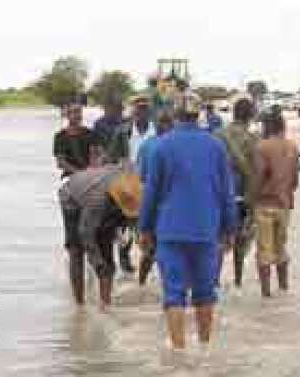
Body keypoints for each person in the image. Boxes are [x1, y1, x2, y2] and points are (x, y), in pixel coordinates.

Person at [140, 93, 237, 349]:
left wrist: (144, 228)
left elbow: (151, 193)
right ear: (199, 115)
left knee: (174, 294)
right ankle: (205, 348)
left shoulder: (161, 146)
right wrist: (230, 228)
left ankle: (178, 352)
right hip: (206, 230)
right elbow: (226, 191)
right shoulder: (216, 146)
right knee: (206, 292)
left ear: (174, 115)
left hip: (170, 231)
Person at [57, 165, 140, 310]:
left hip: (104, 194)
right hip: (72, 199)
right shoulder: (98, 201)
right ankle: (80, 306)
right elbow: (85, 233)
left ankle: (105, 306)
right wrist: (96, 260)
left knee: (107, 256)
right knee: (77, 252)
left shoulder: (134, 188)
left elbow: (133, 221)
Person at [214, 97, 259, 288]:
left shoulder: (217, 135)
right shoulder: (253, 140)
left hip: (218, 196)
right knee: (241, 243)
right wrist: (253, 204)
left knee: (217, 241)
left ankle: (213, 281)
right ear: (251, 115)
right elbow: (255, 173)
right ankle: (238, 281)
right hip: (242, 197)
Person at [253, 110, 299, 297]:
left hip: (265, 203)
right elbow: (295, 180)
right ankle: (283, 289)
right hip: (284, 204)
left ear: (268, 126)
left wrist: (251, 199)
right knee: (281, 249)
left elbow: (259, 175)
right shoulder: (292, 147)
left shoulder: (262, 147)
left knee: (264, 251)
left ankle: (266, 294)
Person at [91, 97, 136, 273]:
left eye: (118, 109)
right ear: (106, 108)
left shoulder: (127, 124)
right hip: (106, 173)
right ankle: (105, 257)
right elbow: (95, 149)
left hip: (125, 174)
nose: (115, 112)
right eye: (112, 109)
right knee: (106, 217)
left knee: (127, 217)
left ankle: (124, 257)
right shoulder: (99, 125)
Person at [133, 109, 175, 286]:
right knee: (170, 250)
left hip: (153, 203)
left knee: (150, 250)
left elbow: (141, 178)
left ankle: (141, 286)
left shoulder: (148, 145)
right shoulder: (174, 145)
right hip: (172, 205)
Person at [53, 103, 97, 177]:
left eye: (78, 112)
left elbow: (94, 155)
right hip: (70, 175)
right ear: (67, 115)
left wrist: (90, 171)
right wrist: (78, 173)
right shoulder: (60, 137)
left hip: (89, 173)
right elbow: (61, 162)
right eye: (73, 112)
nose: (76, 115)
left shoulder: (89, 133)